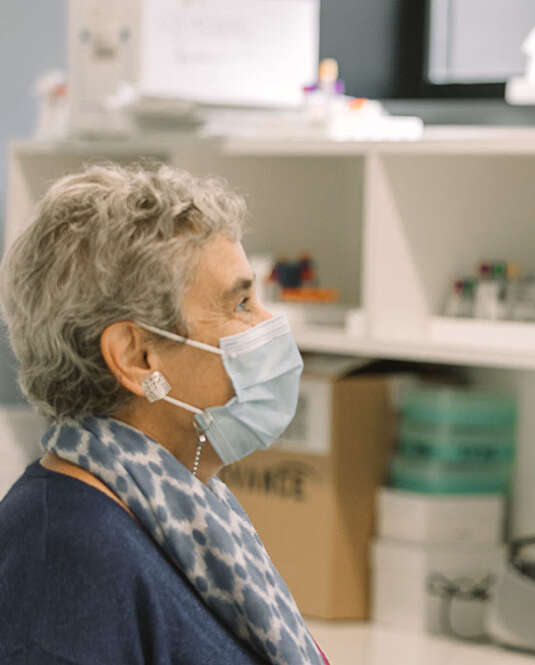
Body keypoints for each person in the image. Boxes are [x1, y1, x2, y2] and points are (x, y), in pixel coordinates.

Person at [0, 164, 329, 665]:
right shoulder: (67, 562)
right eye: (240, 303)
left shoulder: (180, 506)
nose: (269, 325)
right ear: (137, 358)